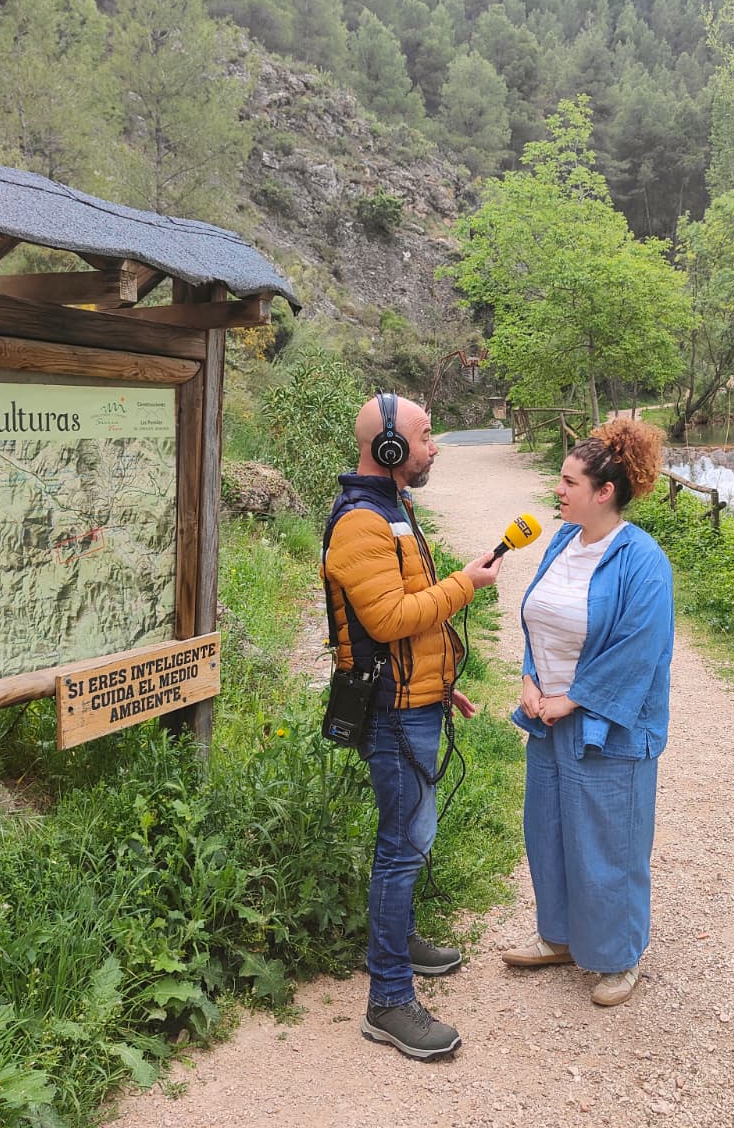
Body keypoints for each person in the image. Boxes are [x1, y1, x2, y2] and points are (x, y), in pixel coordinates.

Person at [321, 391, 504, 1060]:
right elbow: (392, 619)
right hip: (393, 717)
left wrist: (439, 685)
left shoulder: (393, 508)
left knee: (413, 838)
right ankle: (389, 998)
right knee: (401, 847)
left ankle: (400, 943)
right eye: (426, 436)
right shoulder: (361, 524)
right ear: (389, 448)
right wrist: (466, 584)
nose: (434, 448)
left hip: (414, 702)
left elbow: (404, 634)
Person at [501, 419, 674, 1007]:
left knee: (609, 842)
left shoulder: (643, 560)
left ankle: (616, 958)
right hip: (549, 720)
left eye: (570, 482)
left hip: (607, 726)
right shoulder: (560, 542)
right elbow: (540, 616)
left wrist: (570, 699)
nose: (559, 490)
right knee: (548, 831)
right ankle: (560, 938)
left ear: (604, 492)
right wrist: (529, 676)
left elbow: (638, 647)